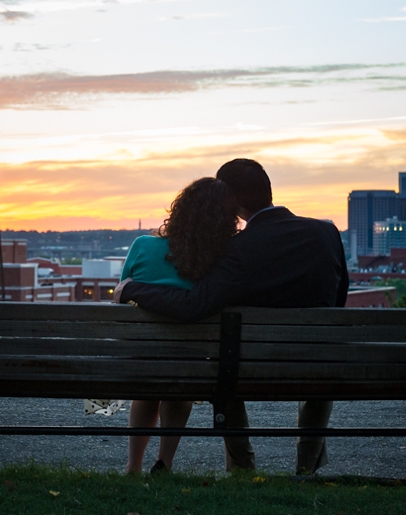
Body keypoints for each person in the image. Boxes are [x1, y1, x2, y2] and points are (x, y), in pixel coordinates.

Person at [116, 158, 349, 475]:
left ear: (233, 200)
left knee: (223, 368)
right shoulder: (326, 232)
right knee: (316, 368)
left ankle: (243, 466)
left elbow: (194, 306)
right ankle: (306, 469)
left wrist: (133, 289)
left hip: (248, 368)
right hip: (317, 362)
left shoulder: (238, 248)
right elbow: (339, 296)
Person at [118, 176, 240, 474]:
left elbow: (121, 295)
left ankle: (133, 465)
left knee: (146, 389)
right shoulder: (222, 258)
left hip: (142, 357)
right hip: (192, 358)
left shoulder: (143, 245)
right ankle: (166, 460)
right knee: (180, 388)